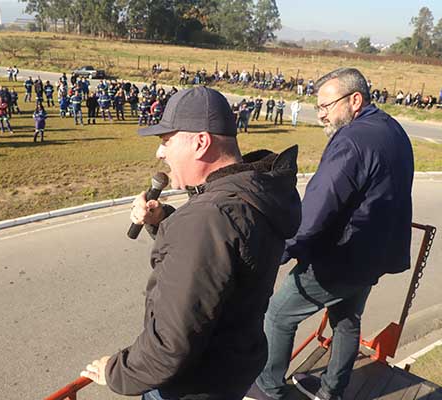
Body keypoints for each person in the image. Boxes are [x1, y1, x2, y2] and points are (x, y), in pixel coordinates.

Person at [80, 86, 302, 400]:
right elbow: (227, 249)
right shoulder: (253, 193)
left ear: (200, 142)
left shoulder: (206, 219)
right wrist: (164, 220)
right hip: (234, 365)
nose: (160, 153)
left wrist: (116, 371)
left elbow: (168, 347)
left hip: (193, 384)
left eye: (166, 140)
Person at [248, 68, 414, 400]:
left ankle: (268, 388)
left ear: (355, 100)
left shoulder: (351, 140)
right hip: (374, 254)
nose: (321, 114)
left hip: (340, 258)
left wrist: (281, 250)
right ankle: (332, 391)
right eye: (318, 107)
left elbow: (319, 206)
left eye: (326, 106)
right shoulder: (392, 129)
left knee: (278, 315)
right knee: (347, 319)